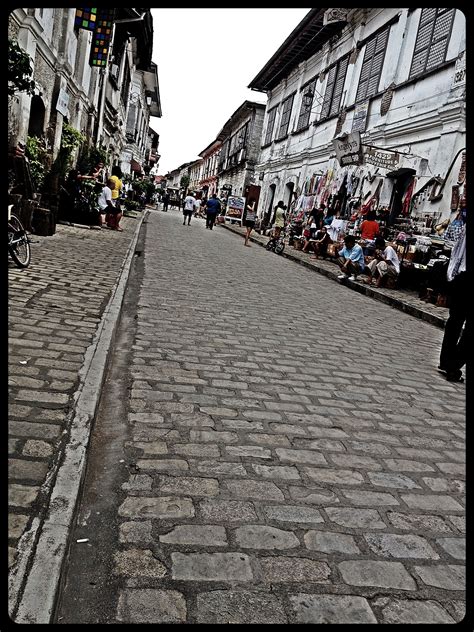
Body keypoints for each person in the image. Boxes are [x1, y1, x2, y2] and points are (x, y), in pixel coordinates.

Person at [438, 223, 466, 382]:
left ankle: (446, 361)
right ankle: (453, 365)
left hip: (462, 278)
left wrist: (452, 276)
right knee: (455, 322)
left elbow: (457, 251)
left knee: (454, 322)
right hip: (463, 278)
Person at [108, 165, 123, 230]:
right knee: (119, 212)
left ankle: (111, 223)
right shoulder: (119, 180)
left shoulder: (111, 177)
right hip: (115, 196)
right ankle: (116, 225)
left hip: (109, 195)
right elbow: (120, 188)